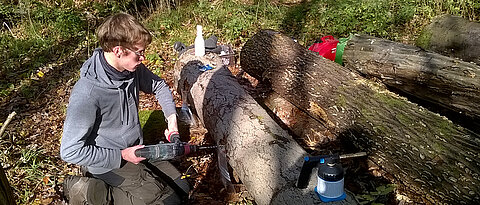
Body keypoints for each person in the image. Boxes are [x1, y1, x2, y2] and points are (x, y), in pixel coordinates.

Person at [60, 12, 188, 204]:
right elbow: (69, 151)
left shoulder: (130, 69)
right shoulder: (87, 93)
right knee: (167, 201)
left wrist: (171, 120)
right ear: (118, 51)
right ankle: (90, 192)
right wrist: (121, 155)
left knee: (183, 188)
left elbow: (159, 86)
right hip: (107, 161)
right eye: (139, 52)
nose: (143, 58)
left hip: (136, 149)